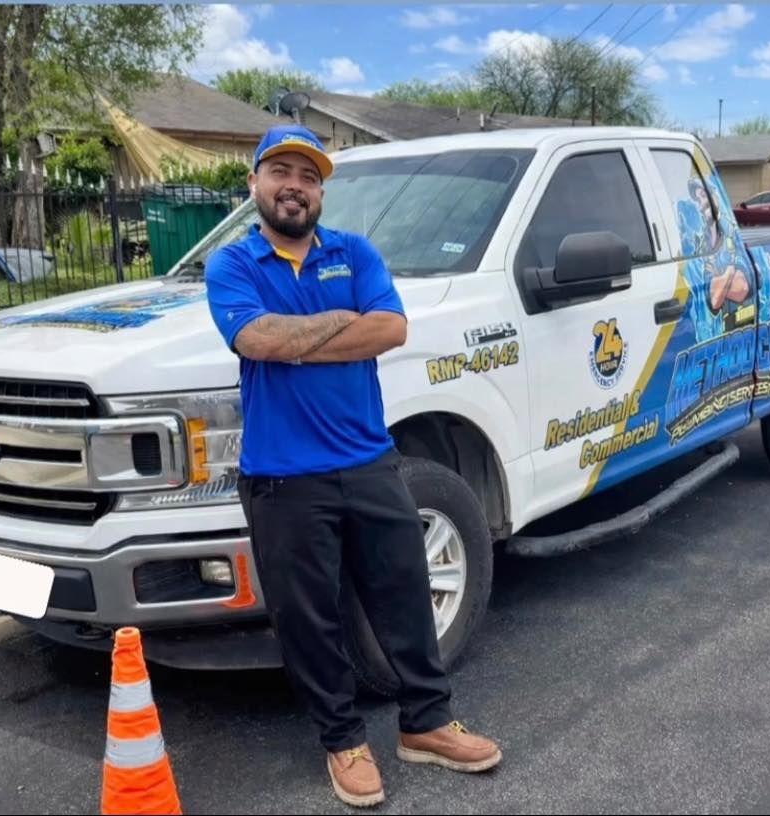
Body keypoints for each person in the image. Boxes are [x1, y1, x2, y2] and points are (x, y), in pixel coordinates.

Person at [204, 124, 501, 808]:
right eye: (279, 171)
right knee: (309, 619)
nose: (293, 186)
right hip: (283, 475)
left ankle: (425, 724)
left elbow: (390, 328)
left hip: (369, 458)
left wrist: (295, 338)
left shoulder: (354, 250)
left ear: (319, 191)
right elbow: (252, 337)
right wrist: (339, 325)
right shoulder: (233, 264)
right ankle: (343, 740)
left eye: (307, 176)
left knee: (403, 597)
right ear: (253, 185)